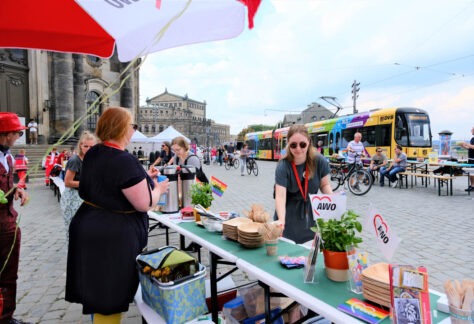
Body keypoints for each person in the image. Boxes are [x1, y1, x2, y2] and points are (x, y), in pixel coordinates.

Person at [65, 107, 169, 323]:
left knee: (97, 289)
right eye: (133, 125)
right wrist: (159, 189)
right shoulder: (123, 160)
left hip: (90, 226)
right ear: (122, 128)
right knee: (108, 294)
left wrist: (143, 176)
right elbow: (144, 203)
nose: (134, 130)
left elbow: (110, 182)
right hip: (110, 236)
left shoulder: (95, 152)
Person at [274, 124, 333, 244]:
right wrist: (281, 220)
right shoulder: (283, 165)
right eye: (293, 145)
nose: (298, 149)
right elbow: (280, 195)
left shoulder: (319, 160)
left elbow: (324, 185)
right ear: (288, 144)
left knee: (310, 254)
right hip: (289, 215)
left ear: (309, 142)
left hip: (311, 215)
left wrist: (334, 202)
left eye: (302, 144)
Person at [0, 112, 30, 324]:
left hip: (8, 222)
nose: (19, 136)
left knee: (10, 274)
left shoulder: (8, 156)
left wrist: (15, 190)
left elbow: (8, 185)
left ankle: (6, 317)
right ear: (6, 134)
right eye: (17, 133)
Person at [60, 131, 97, 241]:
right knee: (74, 230)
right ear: (80, 145)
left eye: (92, 147)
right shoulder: (75, 160)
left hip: (84, 196)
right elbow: (67, 182)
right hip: (73, 197)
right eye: (86, 146)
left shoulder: (91, 159)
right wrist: (87, 183)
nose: (89, 149)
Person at [460, 126, 474, 192]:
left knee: (473, 173)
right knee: (471, 173)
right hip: (470, 158)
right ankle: (472, 186)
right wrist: (463, 146)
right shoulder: (472, 139)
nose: (471, 130)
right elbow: (470, 148)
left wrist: (467, 144)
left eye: (472, 129)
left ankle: (473, 186)